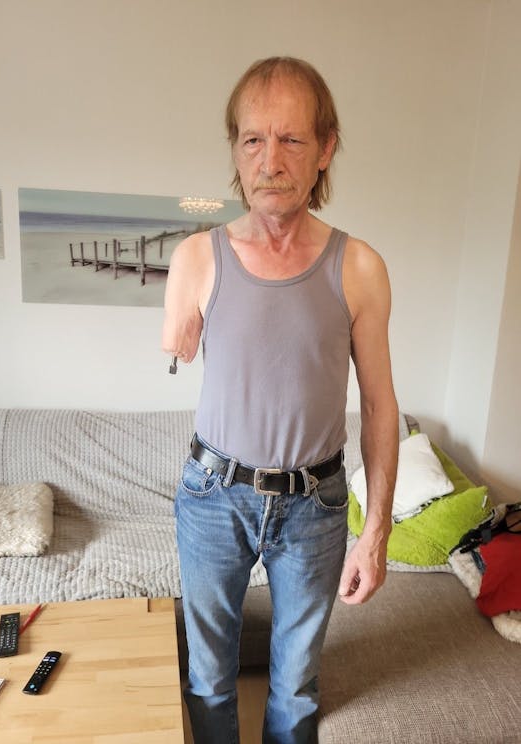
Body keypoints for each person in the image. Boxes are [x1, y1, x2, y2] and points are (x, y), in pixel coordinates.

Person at [162, 56, 399, 744]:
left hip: (315, 505)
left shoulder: (360, 267)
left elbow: (380, 407)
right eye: (253, 140)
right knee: (208, 677)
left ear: (325, 149)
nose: (270, 160)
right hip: (213, 496)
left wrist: (376, 534)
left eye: (292, 139)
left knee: (296, 688)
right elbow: (176, 349)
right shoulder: (196, 257)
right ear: (236, 151)